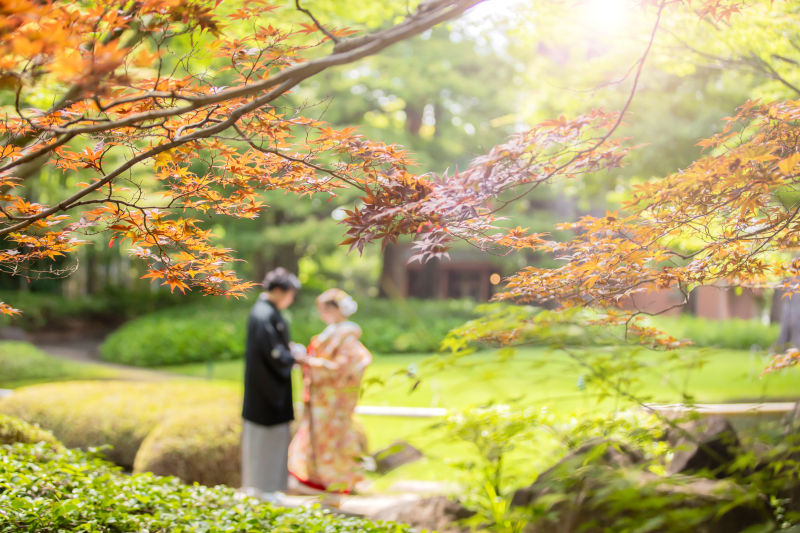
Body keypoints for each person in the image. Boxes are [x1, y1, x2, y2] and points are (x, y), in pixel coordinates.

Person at [288, 288, 372, 498]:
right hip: (323, 396)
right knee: (319, 436)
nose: (321, 314)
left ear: (334, 309)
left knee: (332, 438)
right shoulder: (336, 332)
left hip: (332, 397)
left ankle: (335, 481)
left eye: (323, 309)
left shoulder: (346, 334)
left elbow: (343, 367)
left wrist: (308, 361)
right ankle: (317, 479)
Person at [241, 267, 304, 502]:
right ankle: (262, 489)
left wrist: (288, 353)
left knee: (268, 439)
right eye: (289, 294)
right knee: (264, 438)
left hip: (267, 387)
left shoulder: (267, 313)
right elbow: (271, 353)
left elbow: (275, 348)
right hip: (265, 391)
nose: (290, 300)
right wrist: (293, 357)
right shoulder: (263, 315)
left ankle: (264, 487)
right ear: (278, 291)